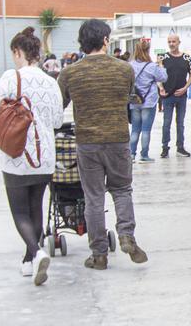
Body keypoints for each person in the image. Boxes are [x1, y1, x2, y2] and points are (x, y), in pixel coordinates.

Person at [58, 19, 149, 270]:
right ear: (106, 40)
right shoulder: (124, 69)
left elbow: (59, 109)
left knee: (94, 197)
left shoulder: (70, 73)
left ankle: (99, 254)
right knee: (122, 190)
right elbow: (130, 97)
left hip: (87, 142)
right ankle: (126, 235)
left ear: (82, 42)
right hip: (118, 139)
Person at [0, 27, 63, 286]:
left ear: (18, 52)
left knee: (19, 211)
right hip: (45, 157)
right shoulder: (51, 81)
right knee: (36, 208)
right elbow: (57, 120)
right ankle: (29, 261)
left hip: (17, 155)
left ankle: (37, 251)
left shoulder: (11, 78)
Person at [129, 40, 167, 163]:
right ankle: (144, 155)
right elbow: (163, 78)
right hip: (149, 102)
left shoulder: (130, 65)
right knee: (146, 130)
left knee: (135, 130)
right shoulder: (152, 66)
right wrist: (161, 65)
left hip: (134, 101)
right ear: (147, 51)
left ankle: (131, 155)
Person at [158, 33, 191, 158]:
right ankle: (165, 147)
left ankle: (180, 146)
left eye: (174, 41)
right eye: (169, 42)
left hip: (181, 95)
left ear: (179, 42)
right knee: (166, 122)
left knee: (180, 122)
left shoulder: (187, 58)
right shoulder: (163, 57)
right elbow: (158, 74)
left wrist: (185, 88)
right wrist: (161, 87)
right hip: (168, 95)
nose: (171, 44)